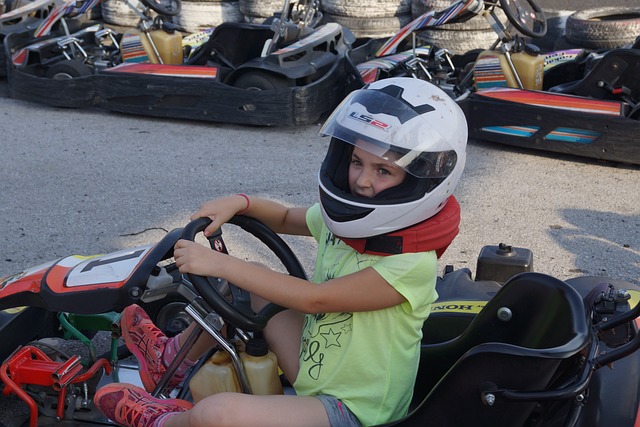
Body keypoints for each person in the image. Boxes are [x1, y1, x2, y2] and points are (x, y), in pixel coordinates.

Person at [93, 77, 468, 427]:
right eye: (356, 162)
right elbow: (288, 217)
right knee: (249, 284)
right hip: (316, 364)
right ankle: (170, 361)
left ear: (423, 179)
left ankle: (163, 421)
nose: (363, 181)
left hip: (354, 411)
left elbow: (315, 300)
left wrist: (220, 263)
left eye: (383, 171)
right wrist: (239, 203)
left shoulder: (409, 264)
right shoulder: (352, 227)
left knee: (218, 413)